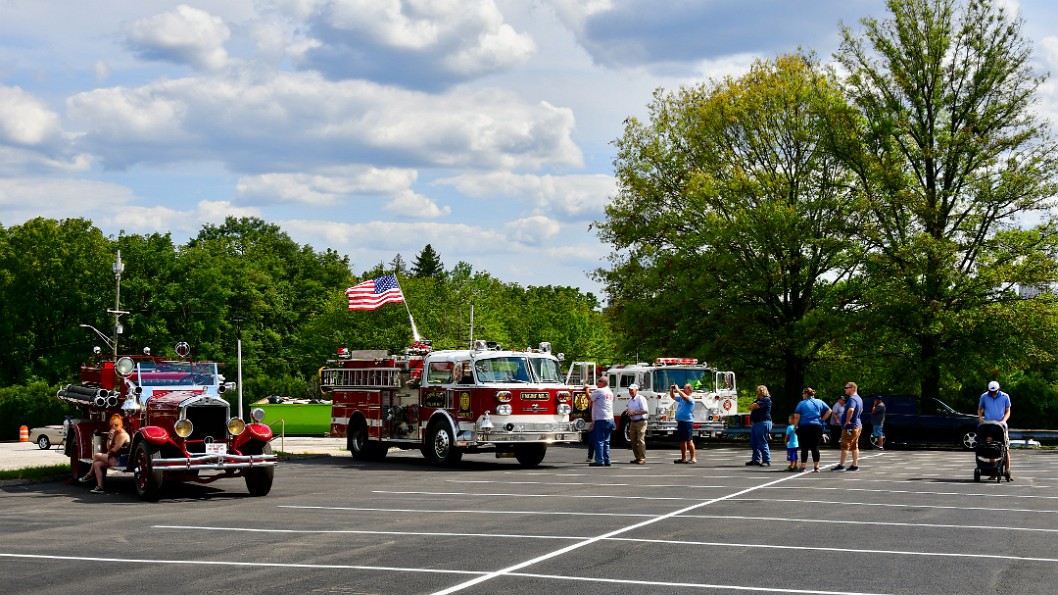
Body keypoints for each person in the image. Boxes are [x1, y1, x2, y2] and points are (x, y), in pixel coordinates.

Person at [79, 413, 129, 493]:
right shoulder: (115, 433)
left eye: (116, 425)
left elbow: (115, 450)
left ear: (120, 425)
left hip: (120, 460)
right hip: (114, 458)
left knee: (97, 455)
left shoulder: (122, 435)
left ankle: (90, 474)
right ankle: (100, 487)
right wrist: (110, 437)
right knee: (96, 464)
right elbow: (108, 447)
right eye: (112, 425)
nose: (113, 427)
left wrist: (106, 455)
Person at [978, 380, 1012, 478]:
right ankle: (993, 472)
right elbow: (980, 409)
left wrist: (1004, 421)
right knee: (991, 448)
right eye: (991, 392)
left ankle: (1007, 471)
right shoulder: (984, 396)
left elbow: (1008, 411)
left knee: (1005, 448)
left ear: (998, 389)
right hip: (989, 426)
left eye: (995, 392)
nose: (993, 394)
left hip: (1001, 427)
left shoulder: (1005, 397)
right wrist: (981, 419)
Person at [793, 387, 832, 472]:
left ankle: (803, 466)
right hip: (817, 426)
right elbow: (829, 411)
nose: (802, 395)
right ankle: (816, 466)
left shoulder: (802, 403)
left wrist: (795, 427)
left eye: (803, 393)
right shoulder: (819, 402)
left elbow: (797, 417)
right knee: (815, 447)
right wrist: (822, 419)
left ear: (806, 394)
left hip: (804, 426)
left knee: (804, 447)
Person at [833, 382, 863, 472]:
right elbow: (861, 410)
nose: (845, 389)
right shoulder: (859, 399)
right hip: (857, 425)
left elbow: (851, 409)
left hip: (850, 427)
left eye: (846, 388)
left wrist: (847, 421)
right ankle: (855, 465)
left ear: (853, 388)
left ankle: (841, 465)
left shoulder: (852, 399)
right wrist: (856, 418)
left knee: (845, 445)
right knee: (854, 446)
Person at [584, 377, 614, 466]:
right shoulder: (609, 391)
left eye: (599, 381)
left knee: (599, 441)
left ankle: (599, 460)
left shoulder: (600, 391)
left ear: (604, 383)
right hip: (610, 418)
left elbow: (589, 397)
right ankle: (607, 460)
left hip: (601, 419)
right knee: (607, 441)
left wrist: (587, 388)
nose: (598, 383)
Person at [746, 385, 773, 467]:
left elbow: (755, 406)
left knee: (762, 441)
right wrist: (753, 405)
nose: (756, 392)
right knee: (754, 443)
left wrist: (754, 405)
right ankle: (756, 459)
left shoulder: (766, 400)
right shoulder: (758, 400)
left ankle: (766, 460)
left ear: (762, 391)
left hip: (763, 422)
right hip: (756, 423)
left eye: (757, 391)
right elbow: (750, 407)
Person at [671, 383, 697, 464]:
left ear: (689, 390)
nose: (683, 389)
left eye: (685, 388)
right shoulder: (681, 398)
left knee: (689, 440)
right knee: (682, 441)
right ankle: (684, 458)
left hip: (687, 422)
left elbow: (685, 397)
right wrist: (672, 389)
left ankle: (693, 458)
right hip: (681, 422)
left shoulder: (690, 399)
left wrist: (678, 390)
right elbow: (673, 396)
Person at [625, 384, 649, 464]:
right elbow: (629, 410)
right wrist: (628, 412)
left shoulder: (640, 399)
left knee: (640, 439)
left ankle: (642, 458)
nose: (630, 391)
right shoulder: (630, 400)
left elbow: (645, 410)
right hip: (633, 422)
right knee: (633, 440)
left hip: (641, 422)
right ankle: (637, 457)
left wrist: (634, 413)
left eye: (632, 390)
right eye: (629, 390)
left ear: (636, 390)